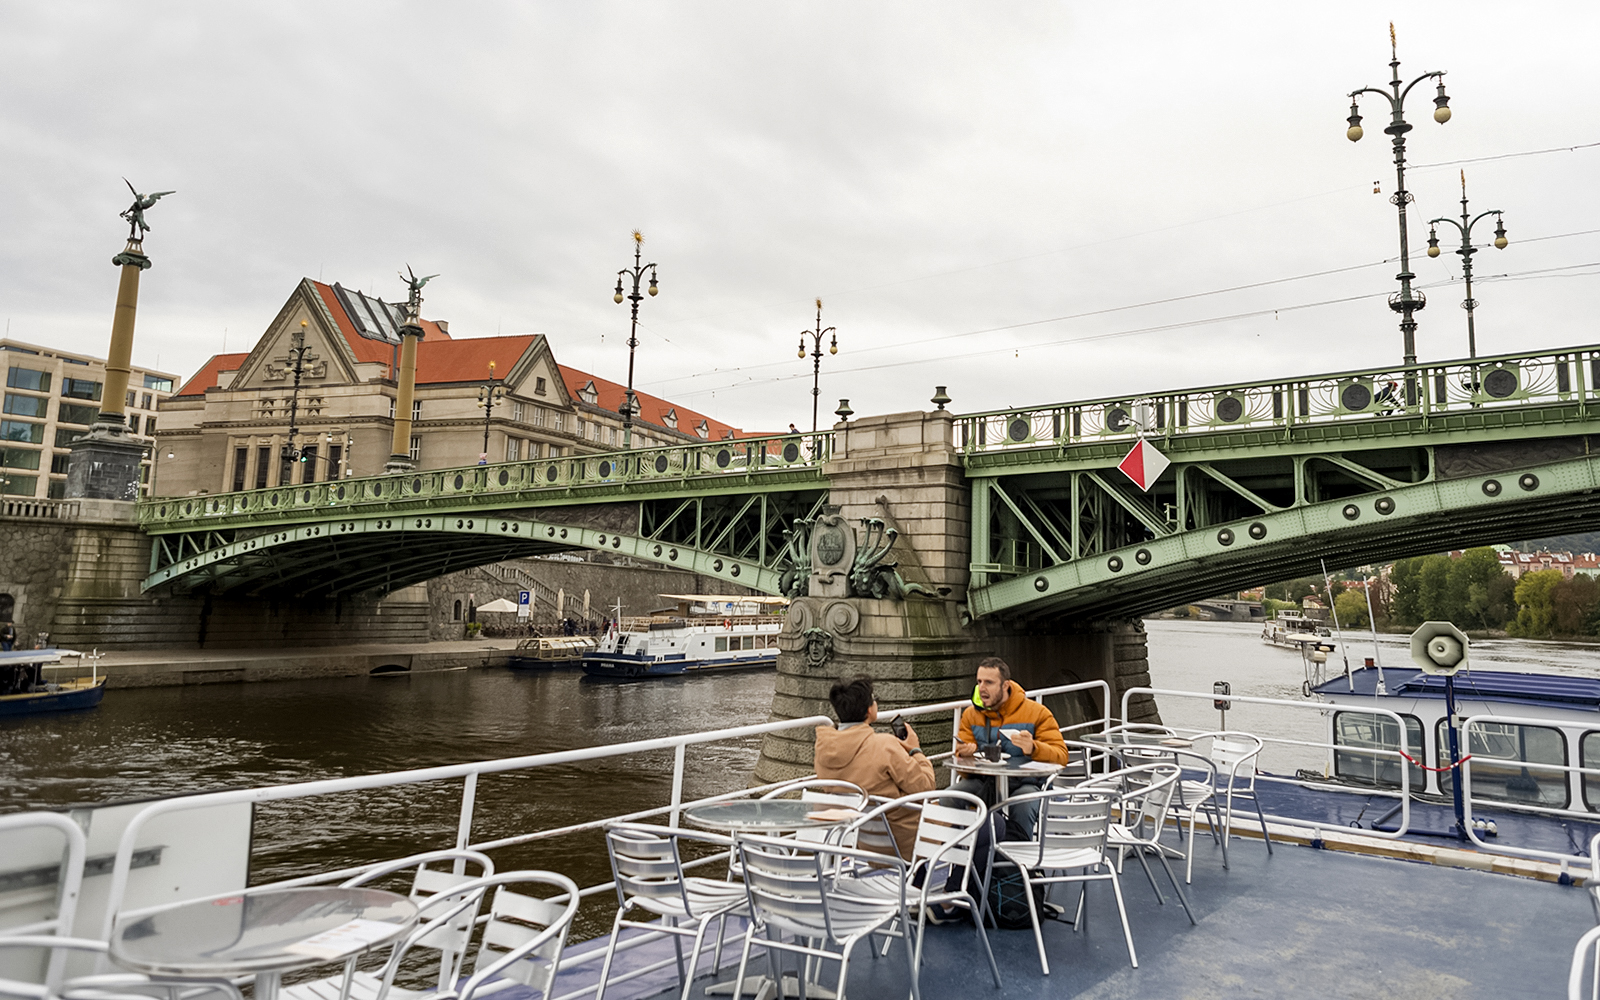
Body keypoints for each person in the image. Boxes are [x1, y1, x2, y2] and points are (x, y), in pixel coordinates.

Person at [813, 675, 935, 859]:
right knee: (978, 828)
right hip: (904, 842)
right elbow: (926, 786)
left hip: (859, 842)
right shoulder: (884, 745)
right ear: (869, 710)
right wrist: (916, 750)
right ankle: (953, 885)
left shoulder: (824, 749)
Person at [952, 656, 1070, 840]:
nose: (981, 688)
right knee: (949, 797)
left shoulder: (1037, 713)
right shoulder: (970, 715)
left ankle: (1015, 863)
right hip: (984, 782)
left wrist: (1033, 748)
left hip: (1026, 784)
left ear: (1005, 685)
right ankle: (962, 858)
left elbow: (1061, 757)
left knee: (1024, 804)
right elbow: (964, 769)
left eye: (989, 682)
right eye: (979, 681)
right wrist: (964, 755)